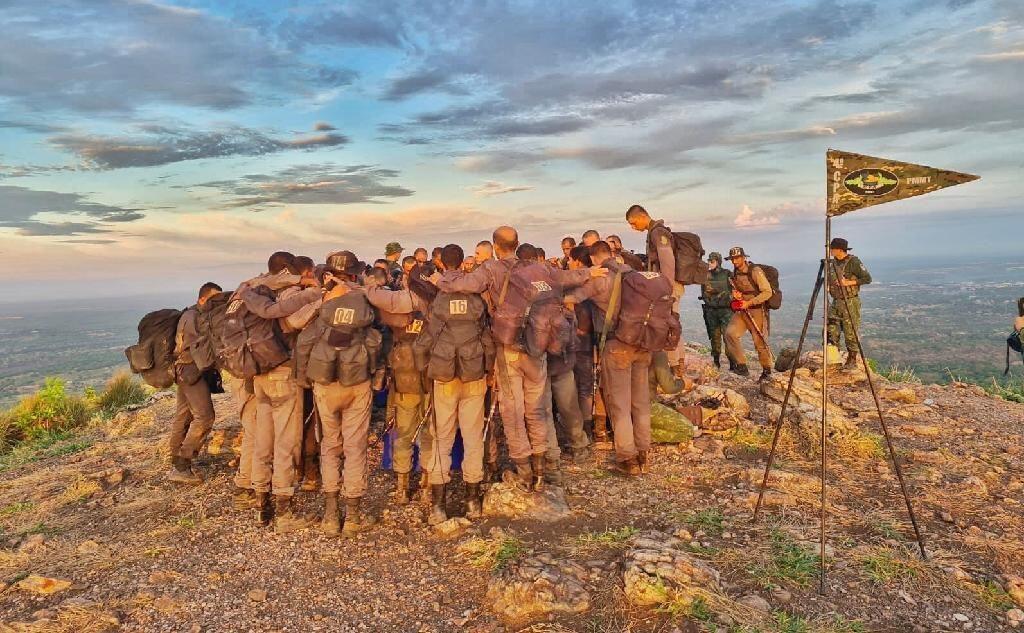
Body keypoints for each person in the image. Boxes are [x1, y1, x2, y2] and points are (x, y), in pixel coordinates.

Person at [433, 226, 606, 489]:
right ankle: (547, 467)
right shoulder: (538, 269)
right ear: (517, 243)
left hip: (509, 347)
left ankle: (524, 470)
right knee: (539, 409)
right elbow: (564, 277)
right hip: (537, 346)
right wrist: (589, 272)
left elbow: (464, 284)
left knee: (513, 411)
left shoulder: (491, 269)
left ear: (495, 245)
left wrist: (439, 280)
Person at [236, 252, 322, 532]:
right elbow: (295, 323)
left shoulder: (252, 290)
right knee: (286, 441)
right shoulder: (287, 295)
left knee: (264, 439)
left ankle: (262, 506)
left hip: (258, 372)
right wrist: (320, 298)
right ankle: (284, 511)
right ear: (287, 271)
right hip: (282, 372)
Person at [295, 251, 379, 537]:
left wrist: (303, 378)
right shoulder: (365, 299)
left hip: (325, 382)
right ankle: (353, 516)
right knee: (355, 446)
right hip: (357, 380)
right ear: (354, 273)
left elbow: (304, 340)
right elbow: (378, 339)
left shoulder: (323, 302)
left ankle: (331, 515)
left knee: (330, 445)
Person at [414, 244, 493, 524]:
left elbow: (425, 341)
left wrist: (426, 371)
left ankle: (438, 505)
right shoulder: (477, 299)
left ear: (442, 264)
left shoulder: (439, 300)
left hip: (444, 376)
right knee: (473, 438)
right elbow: (487, 339)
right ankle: (473, 501)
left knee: (441, 438)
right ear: (462, 263)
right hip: (474, 374)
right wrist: (489, 370)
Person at [565, 240, 653, 475]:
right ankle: (644, 450)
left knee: (620, 404)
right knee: (641, 400)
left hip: (618, 347)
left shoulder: (601, 279)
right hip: (643, 343)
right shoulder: (632, 273)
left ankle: (628, 458)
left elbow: (572, 298)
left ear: (594, 259)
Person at [363, 267, 430, 506]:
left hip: (404, 381)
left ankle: (402, 487)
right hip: (432, 382)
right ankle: (426, 485)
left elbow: (382, 317)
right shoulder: (437, 308)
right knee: (430, 435)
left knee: (403, 434)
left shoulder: (397, 315)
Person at [167, 281, 222, 484]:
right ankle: (182, 465)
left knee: (184, 414)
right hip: (190, 371)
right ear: (202, 299)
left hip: (184, 370)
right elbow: (202, 347)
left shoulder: (194, 315)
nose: (217, 304)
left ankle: (176, 458)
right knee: (205, 416)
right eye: (213, 299)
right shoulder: (194, 318)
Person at [625, 204, 686, 376]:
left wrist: (666, 290)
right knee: (672, 324)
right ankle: (677, 364)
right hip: (667, 286)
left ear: (643, 216)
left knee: (669, 324)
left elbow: (668, 262)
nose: (633, 227)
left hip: (669, 287)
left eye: (633, 222)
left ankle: (675, 367)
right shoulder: (653, 232)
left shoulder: (658, 233)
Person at [724, 247, 773, 381]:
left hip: (756, 310)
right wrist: (736, 295)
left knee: (759, 342)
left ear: (744, 257)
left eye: (737, 258)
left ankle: (767, 371)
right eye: (732, 259)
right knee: (730, 333)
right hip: (742, 309)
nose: (734, 261)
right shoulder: (735, 273)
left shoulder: (755, 271)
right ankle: (742, 366)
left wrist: (750, 302)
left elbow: (767, 292)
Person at [827, 238, 872, 370]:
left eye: (832, 248)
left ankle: (852, 360)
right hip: (836, 301)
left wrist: (848, 283)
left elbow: (867, 278)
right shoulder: (833, 263)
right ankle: (834, 358)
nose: (830, 250)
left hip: (850, 301)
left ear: (839, 250)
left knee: (850, 331)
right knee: (831, 329)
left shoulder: (853, 262)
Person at [700, 252, 736, 370]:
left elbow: (735, 289)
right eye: (709, 261)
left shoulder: (727, 274)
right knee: (714, 337)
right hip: (712, 311)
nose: (709, 263)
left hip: (726, 311)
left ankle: (732, 363)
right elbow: (703, 293)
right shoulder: (705, 275)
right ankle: (716, 361)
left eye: (712, 261)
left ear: (718, 262)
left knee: (728, 337)